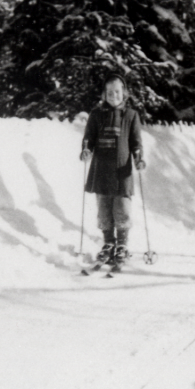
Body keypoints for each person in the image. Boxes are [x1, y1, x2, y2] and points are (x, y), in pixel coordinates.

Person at [81, 73, 146, 265]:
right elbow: (88, 138)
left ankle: (122, 244)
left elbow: (136, 143)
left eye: (117, 91)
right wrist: (85, 150)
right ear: (104, 94)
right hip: (101, 170)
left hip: (122, 171)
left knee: (122, 208)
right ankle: (109, 243)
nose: (113, 95)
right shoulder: (96, 114)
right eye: (109, 92)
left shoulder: (131, 115)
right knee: (104, 209)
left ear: (124, 93)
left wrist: (139, 159)